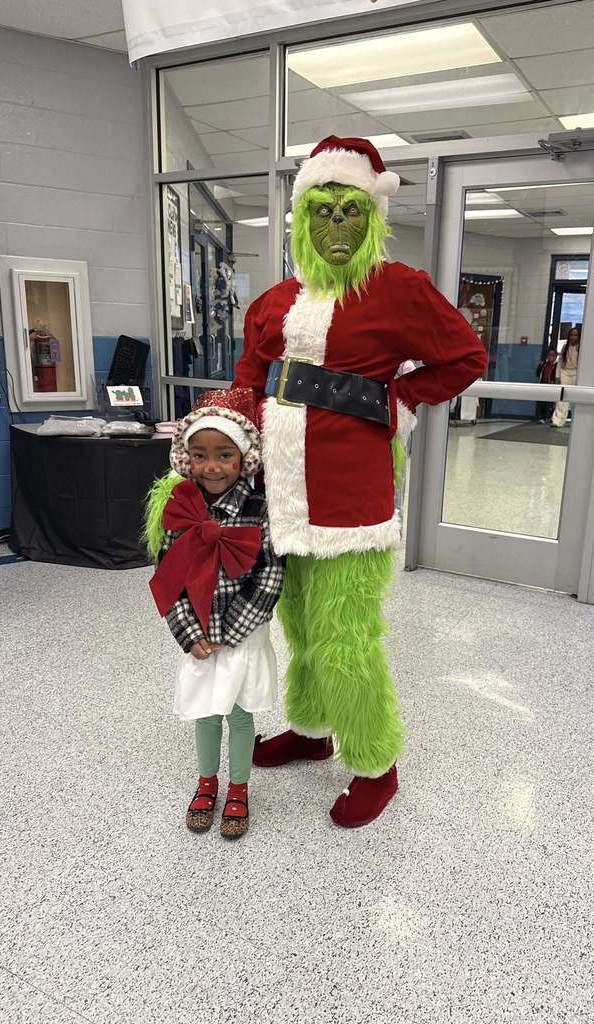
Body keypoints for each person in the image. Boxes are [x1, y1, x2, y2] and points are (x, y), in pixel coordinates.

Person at [232, 135, 488, 828]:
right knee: (301, 629)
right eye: (322, 211)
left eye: (350, 211)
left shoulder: (398, 290)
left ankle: (376, 763)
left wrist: (399, 401)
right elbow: (245, 386)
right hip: (284, 501)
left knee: (346, 640)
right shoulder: (274, 302)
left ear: (374, 216)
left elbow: (466, 356)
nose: (336, 227)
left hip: (354, 505)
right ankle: (312, 731)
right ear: (299, 220)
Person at [144, 387, 286, 840]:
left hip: (243, 636)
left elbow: (271, 577)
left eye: (224, 455)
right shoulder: (181, 508)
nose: (212, 466)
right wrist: (190, 633)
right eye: (201, 455)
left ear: (242, 458)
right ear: (186, 458)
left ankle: (239, 789)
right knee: (206, 712)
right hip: (201, 636)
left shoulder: (260, 511)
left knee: (242, 714)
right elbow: (168, 578)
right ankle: (207, 783)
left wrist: (234, 629)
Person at [551, 326, 581, 427]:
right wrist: (557, 375)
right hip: (565, 372)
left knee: (577, 398)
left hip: (577, 373)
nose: (573, 337)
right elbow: (560, 361)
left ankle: (576, 421)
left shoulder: (581, 347)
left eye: (575, 335)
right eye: (571, 335)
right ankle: (558, 421)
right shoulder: (565, 347)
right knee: (562, 397)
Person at [536, 345, 558, 422]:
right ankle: (542, 417)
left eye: (553, 355)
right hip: (543, 385)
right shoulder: (544, 364)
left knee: (552, 403)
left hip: (552, 386)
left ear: (556, 356)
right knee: (543, 402)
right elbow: (538, 373)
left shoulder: (556, 365)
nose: (551, 357)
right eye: (549, 355)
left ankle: (552, 417)